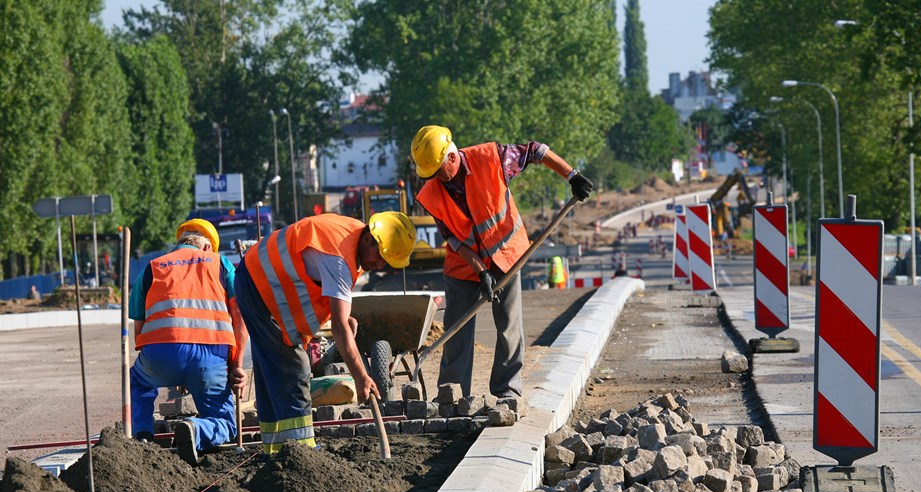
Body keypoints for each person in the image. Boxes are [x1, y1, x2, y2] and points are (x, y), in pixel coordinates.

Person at [410, 125, 593, 398]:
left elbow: (536, 150)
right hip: (464, 266)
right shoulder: (432, 193)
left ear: (451, 157)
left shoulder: (492, 158)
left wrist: (571, 175)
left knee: (508, 325)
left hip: (506, 254)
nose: (436, 177)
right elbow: (454, 240)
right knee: (456, 329)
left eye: (437, 170)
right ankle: (452, 393)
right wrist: (481, 271)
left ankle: (507, 391)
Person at [233, 211, 415, 455]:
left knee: (272, 372)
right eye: (381, 257)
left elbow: (334, 309)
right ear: (369, 239)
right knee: (295, 367)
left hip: (256, 280)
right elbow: (339, 328)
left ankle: (275, 451)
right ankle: (301, 453)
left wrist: (341, 320)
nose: (380, 265)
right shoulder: (338, 257)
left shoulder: (352, 237)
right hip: (258, 286)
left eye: (387, 262)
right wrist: (361, 377)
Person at [129, 219, 249, 465]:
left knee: (138, 383)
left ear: (179, 242)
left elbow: (139, 333)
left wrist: (173, 367)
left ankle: (142, 435)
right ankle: (196, 430)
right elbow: (240, 318)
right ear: (207, 247)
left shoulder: (151, 268)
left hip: (159, 353)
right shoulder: (221, 264)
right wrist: (236, 366)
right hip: (210, 357)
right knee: (225, 422)